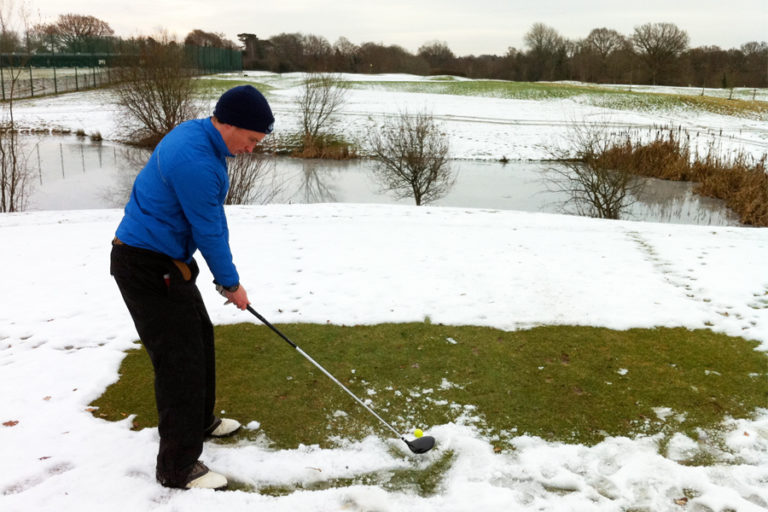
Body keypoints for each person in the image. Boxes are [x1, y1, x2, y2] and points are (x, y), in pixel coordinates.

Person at [110, 85, 274, 490]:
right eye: (252, 139)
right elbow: (209, 230)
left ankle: (200, 422)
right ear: (230, 123)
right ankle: (177, 467)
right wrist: (231, 283)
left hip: (166, 261)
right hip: (146, 266)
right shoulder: (195, 161)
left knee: (199, 337)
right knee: (179, 364)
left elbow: (209, 222)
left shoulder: (200, 136)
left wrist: (224, 278)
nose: (253, 148)